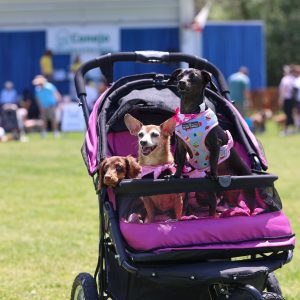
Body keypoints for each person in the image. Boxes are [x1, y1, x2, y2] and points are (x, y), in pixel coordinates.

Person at [278, 64, 297, 135]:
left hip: (287, 99)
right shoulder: (292, 78)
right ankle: (293, 129)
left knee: (287, 114)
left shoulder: (285, 79)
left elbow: (284, 89)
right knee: (291, 114)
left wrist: (281, 99)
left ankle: (286, 129)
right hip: (292, 99)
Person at [292, 65, 300, 132]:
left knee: (296, 114)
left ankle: (298, 127)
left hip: (298, 100)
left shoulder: (297, 80)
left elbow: (295, 90)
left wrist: (293, 100)